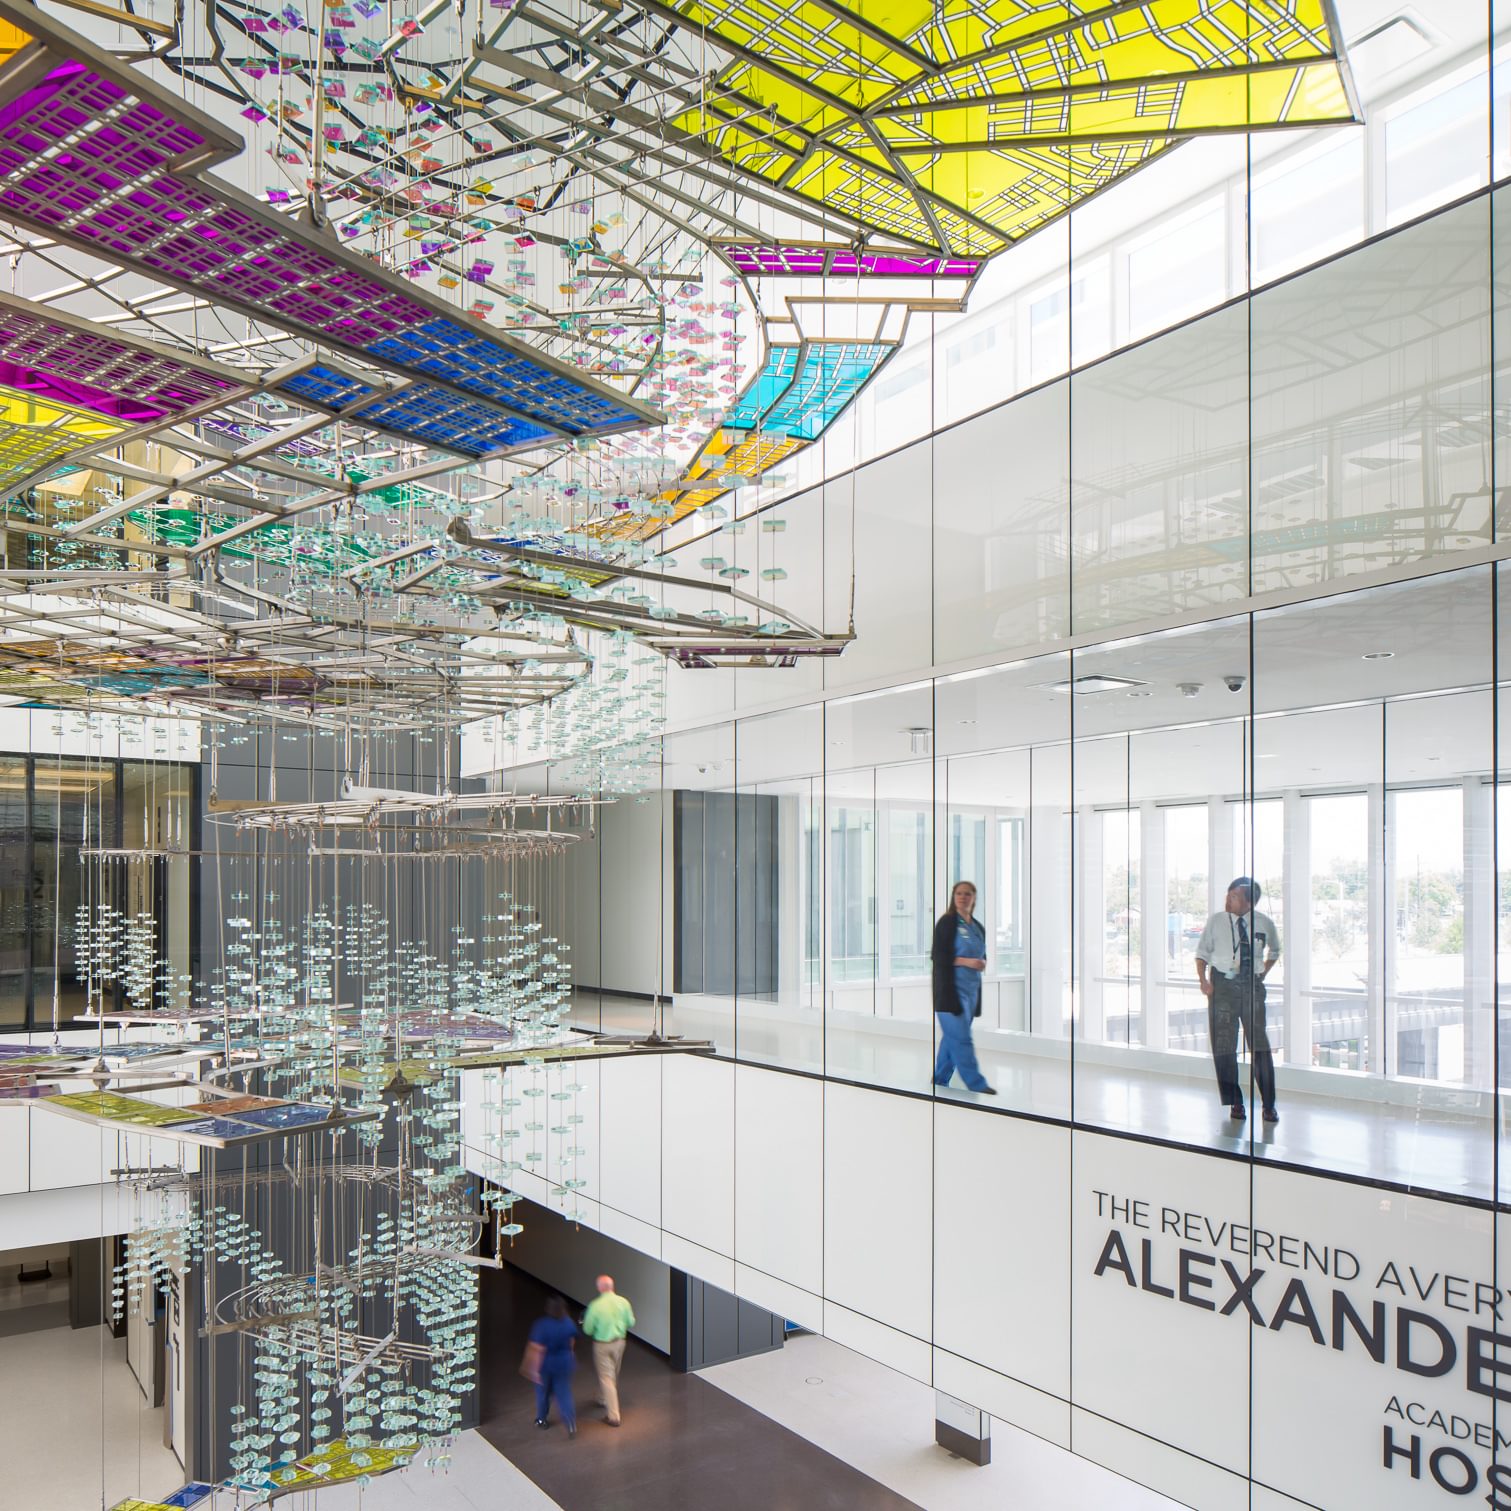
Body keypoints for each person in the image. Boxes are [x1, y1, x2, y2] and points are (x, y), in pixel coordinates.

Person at [1195, 877, 1282, 1125]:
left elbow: (1275, 951)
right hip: (1221, 985)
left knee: (1260, 1047)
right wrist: (1203, 981)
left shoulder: (1265, 923)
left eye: (1233, 896)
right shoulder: (1216, 922)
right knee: (1224, 1046)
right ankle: (1235, 1101)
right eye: (1228, 894)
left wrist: (1263, 973)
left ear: (1248, 901)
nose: (1228, 900)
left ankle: (1269, 1105)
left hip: (1251, 985)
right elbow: (1201, 953)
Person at [931, 880, 996, 1095]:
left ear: (974, 897)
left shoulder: (977, 927)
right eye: (959, 893)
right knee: (961, 1039)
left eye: (967, 894)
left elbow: (981, 955)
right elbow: (938, 956)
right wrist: (968, 962)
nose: (962, 897)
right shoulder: (947, 922)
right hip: (950, 992)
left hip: (970, 991)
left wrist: (981, 963)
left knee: (952, 1040)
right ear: (953, 897)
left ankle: (939, 1082)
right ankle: (976, 1084)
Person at [582, 1273, 636, 1426]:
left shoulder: (595, 1306)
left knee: (606, 1377)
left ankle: (613, 1416)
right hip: (620, 1343)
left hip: (602, 1345)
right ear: (612, 1287)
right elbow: (631, 1322)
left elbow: (587, 1329)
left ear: (599, 1288)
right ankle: (603, 1397)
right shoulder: (623, 1302)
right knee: (613, 1373)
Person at [527, 1295, 579, 1436]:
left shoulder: (541, 1325)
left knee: (543, 1393)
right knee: (564, 1393)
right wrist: (571, 1354)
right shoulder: (568, 1323)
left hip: (546, 1365)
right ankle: (570, 1423)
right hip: (564, 1363)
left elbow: (538, 1348)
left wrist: (534, 1370)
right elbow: (571, 1341)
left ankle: (542, 1419)